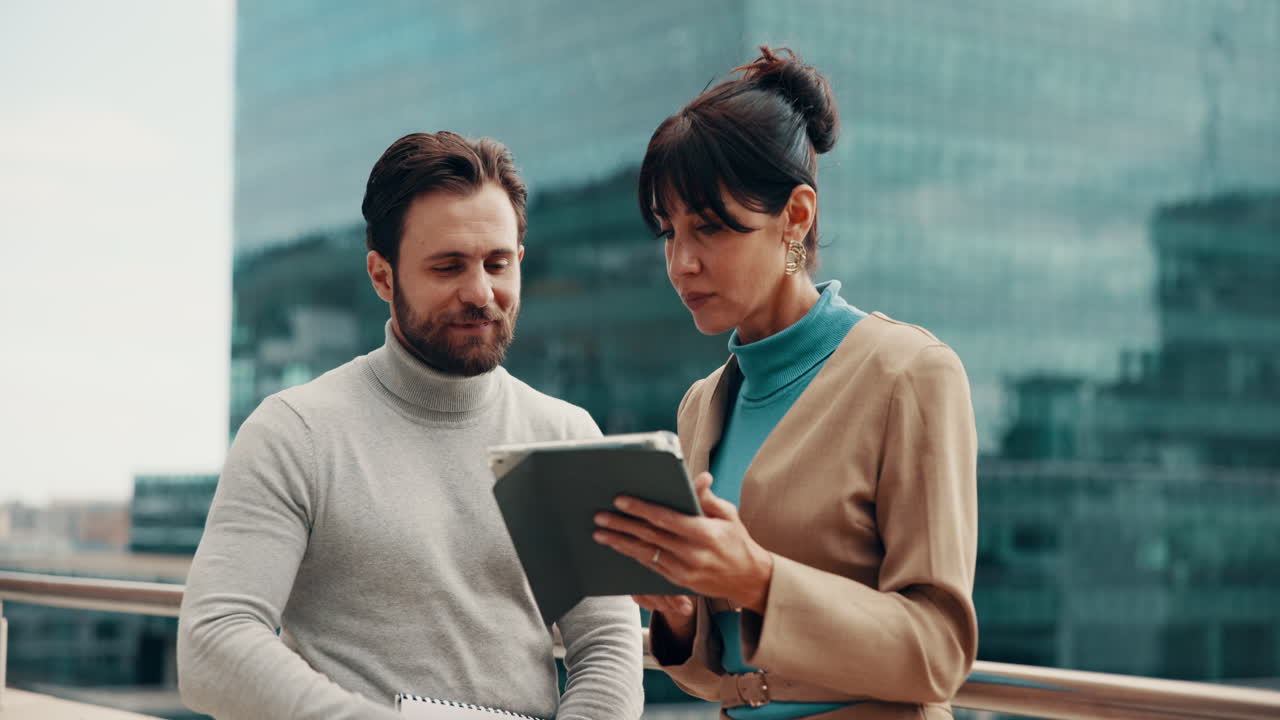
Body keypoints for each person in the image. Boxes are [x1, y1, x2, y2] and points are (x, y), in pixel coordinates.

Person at [179, 131, 644, 720]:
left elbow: (608, 647)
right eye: (448, 266)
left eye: (497, 263)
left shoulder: (568, 435)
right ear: (382, 276)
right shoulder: (294, 433)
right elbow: (212, 645)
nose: (480, 293)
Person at [592, 48, 978, 719]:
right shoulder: (701, 406)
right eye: (668, 232)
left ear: (796, 218)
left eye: (709, 229)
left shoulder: (909, 374)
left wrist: (760, 580)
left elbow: (939, 651)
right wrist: (683, 615)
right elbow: (730, 679)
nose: (681, 264)